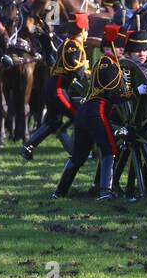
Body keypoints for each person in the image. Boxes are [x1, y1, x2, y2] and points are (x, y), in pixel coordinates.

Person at [53, 23, 134, 203]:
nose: (121, 50)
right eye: (118, 47)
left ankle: (59, 192)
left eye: (122, 47)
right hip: (97, 111)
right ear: (107, 48)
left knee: (78, 156)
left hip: (85, 111)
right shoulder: (107, 63)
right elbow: (114, 94)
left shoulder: (106, 63)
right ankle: (105, 191)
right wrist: (134, 92)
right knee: (110, 150)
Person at [24, 12, 90, 160]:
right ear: (82, 31)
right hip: (57, 89)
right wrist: (86, 72)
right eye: (86, 30)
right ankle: (79, 151)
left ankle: (28, 146)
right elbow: (73, 65)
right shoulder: (73, 45)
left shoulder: (68, 42)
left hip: (53, 87)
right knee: (79, 116)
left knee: (53, 122)